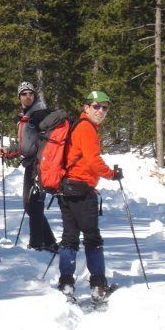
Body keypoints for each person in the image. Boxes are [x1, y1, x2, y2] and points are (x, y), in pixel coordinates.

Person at [56, 90, 123, 302]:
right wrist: (112, 174)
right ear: (86, 108)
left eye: (105, 107)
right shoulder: (86, 128)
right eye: (96, 106)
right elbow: (93, 160)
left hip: (66, 187)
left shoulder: (78, 125)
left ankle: (66, 284)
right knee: (92, 238)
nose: (101, 111)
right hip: (82, 189)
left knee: (70, 237)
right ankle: (98, 286)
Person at [0, 82, 58, 252]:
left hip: (39, 165)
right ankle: (49, 242)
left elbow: (41, 144)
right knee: (32, 204)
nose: (27, 96)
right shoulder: (27, 116)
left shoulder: (39, 114)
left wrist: (41, 159)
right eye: (24, 94)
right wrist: (10, 151)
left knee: (34, 204)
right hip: (33, 163)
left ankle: (37, 244)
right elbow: (27, 146)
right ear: (19, 97)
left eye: (30, 93)